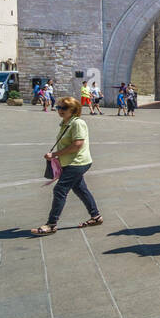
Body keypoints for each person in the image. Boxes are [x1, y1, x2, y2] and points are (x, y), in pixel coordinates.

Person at [30, 97, 101, 235]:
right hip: (69, 162)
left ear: (73, 110)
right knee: (80, 189)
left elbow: (77, 145)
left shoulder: (77, 123)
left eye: (64, 108)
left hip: (78, 162)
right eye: (58, 108)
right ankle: (96, 216)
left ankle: (51, 224)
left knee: (60, 190)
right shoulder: (65, 123)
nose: (60, 110)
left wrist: (55, 154)